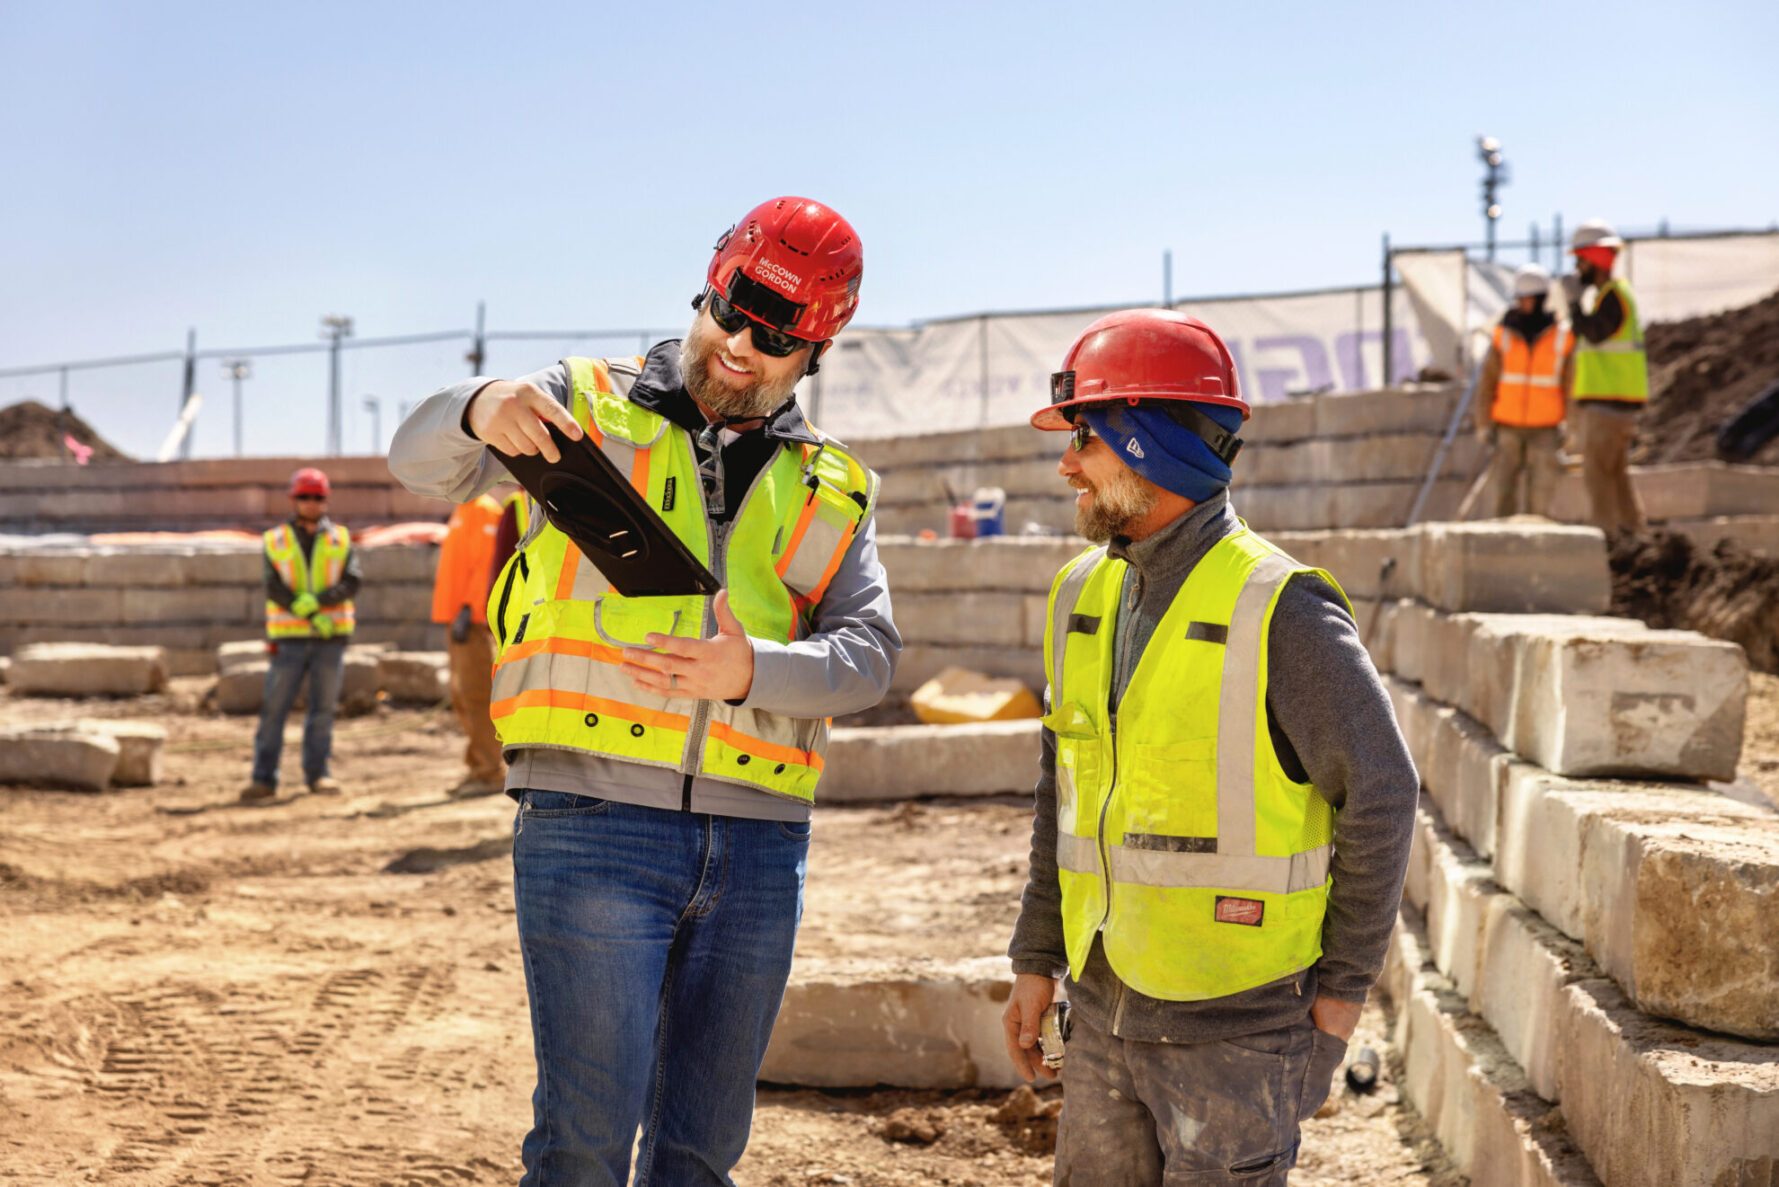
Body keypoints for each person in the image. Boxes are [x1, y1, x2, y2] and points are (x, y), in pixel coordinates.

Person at [387, 196, 899, 1186]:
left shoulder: (835, 483)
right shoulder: (582, 401)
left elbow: (870, 653)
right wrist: (475, 402)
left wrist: (753, 671)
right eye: (737, 308)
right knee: (582, 1146)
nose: (746, 344)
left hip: (758, 847)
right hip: (591, 821)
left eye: (780, 334)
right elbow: (417, 465)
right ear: (711, 285)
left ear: (816, 352)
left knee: (702, 1155)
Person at [1001, 309, 1418, 1185]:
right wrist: (1035, 958)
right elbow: (1061, 792)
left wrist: (1338, 1004)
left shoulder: (1283, 607)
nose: (1066, 462)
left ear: (1148, 444)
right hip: (1101, 1006)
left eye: (1085, 436)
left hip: (1238, 1030)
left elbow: (1381, 791)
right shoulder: (1082, 591)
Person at [241, 467, 362, 803]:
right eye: (305, 497)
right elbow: (272, 586)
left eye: (317, 497)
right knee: (274, 711)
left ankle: (318, 774)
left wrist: (321, 603)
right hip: (289, 638)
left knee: (323, 711)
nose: (311, 503)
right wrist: (307, 610)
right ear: (294, 499)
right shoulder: (275, 539)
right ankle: (263, 779)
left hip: (330, 638)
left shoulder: (341, 537)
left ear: (325, 500)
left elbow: (352, 581)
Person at [1561, 218, 1648, 535]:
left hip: (1607, 406)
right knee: (1617, 475)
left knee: (1597, 476)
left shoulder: (1613, 297)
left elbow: (1594, 333)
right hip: (1616, 405)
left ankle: (1607, 540)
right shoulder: (1613, 296)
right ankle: (1636, 537)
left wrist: (1573, 305)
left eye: (1580, 260)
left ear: (1594, 258)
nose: (1577, 268)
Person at [429, 485, 517, 798]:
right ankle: (479, 765)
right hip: (455, 618)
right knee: (463, 695)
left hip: (471, 621)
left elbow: (488, 566)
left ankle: (489, 770)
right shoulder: (463, 510)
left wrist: (473, 610)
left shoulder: (483, 511)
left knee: (478, 695)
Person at [1476, 264, 1573, 517]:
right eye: (1518, 298)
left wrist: (1573, 427)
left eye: (1526, 298)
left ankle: (1535, 550)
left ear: (1541, 299)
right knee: (1503, 493)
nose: (1521, 304)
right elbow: (1487, 382)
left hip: (1546, 429)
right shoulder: (1504, 334)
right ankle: (1501, 545)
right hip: (1507, 427)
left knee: (1541, 497)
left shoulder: (1562, 336)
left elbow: (1570, 384)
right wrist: (1483, 422)